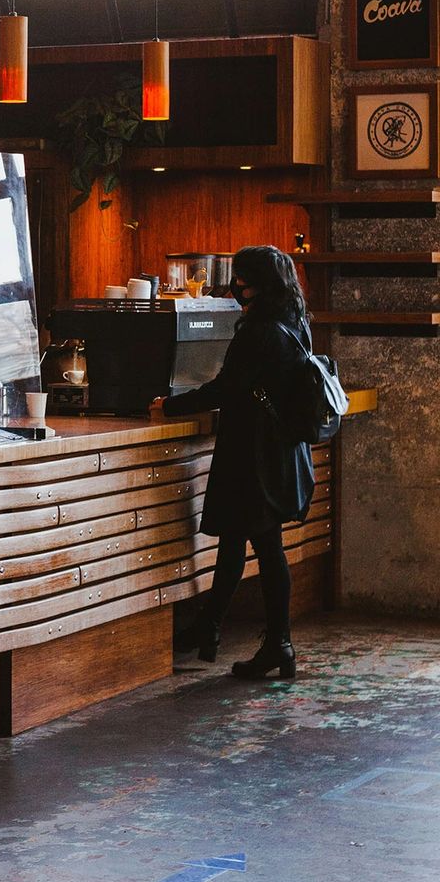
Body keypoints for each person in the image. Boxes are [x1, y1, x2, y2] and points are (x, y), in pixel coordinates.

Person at [151, 244, 315, 680]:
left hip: (252, 456)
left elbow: (226, 388)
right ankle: (216, 629)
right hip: (279, 452)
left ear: (255, 283)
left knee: (262, 545)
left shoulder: (258, 329)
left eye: (240, 278)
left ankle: (273, 642)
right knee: (242, 540)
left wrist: (168, 406)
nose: (235, 286)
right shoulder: (296, 321)